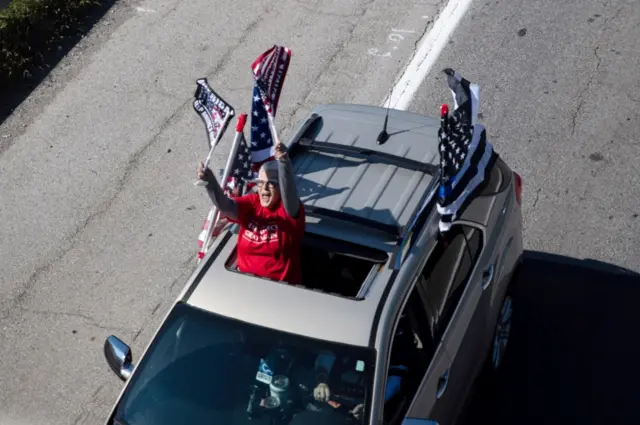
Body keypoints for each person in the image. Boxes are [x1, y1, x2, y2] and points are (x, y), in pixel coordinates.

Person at [197, 141, 305, 285]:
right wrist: (209, 181)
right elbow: (225, 206)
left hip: (279, 290)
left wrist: (284, 162)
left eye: (271, 183)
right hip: (243, 285)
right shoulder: (252, 203)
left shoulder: (288, 211)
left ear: (281, 187)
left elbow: (289, 192)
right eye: (261, 183)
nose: (265, 189)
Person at [312, 314, 416, 419]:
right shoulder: (344, 328)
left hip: (368, 407)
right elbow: (328, 354)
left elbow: (396, 377)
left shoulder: (397, 339)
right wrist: (321, 381)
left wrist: (372, 407)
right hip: (332, 404)